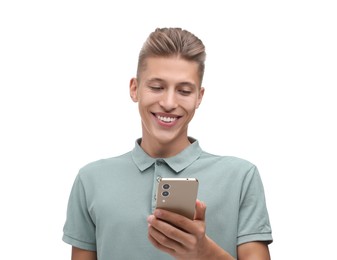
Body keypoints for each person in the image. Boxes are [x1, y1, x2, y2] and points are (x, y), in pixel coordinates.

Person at [62, 27, 273, 259]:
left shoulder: (241, 177)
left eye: (184, 90)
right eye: (156, 87)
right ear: (135, 89)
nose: (169, 102)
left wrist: (205, 253)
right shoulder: (91, 180)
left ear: (199, 97)